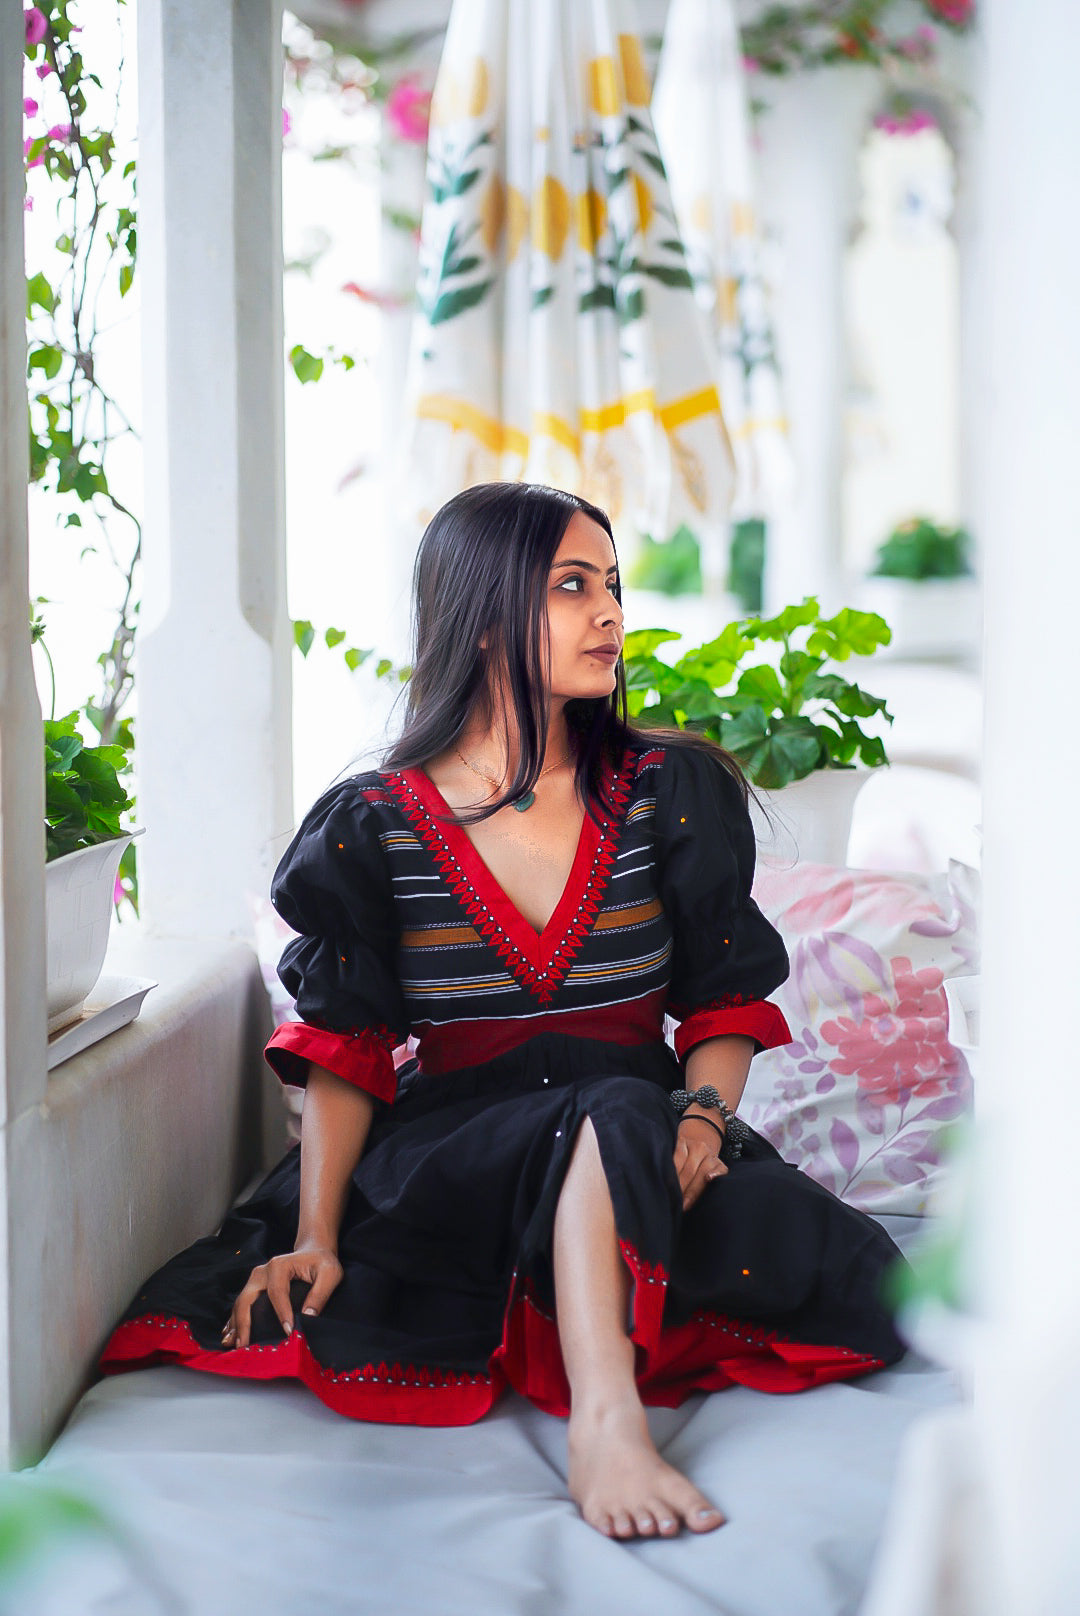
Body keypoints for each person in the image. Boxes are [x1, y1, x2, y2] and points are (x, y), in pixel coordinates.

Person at [101, 482, 907, 1541]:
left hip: (652, 1144)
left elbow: (722, 995)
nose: (610, 612)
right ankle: (606, 1423)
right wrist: (317, 1236)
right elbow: (349, 1048)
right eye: (573, 586)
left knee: (796, 1238)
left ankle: (604, 1359)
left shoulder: (670, 789)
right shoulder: (371, 825)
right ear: (482, 617)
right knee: (598, 1113)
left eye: (611, 584)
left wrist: (705, 1124)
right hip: (456, 1159)